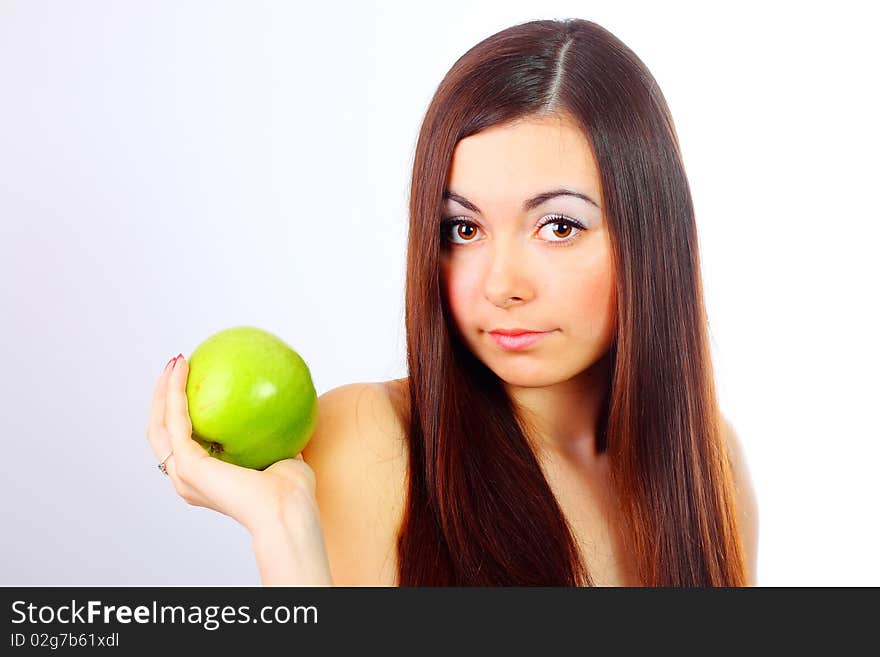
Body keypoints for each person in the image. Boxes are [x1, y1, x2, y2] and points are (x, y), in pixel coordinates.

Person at [146, 18, 759, 587]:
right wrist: (283, 529)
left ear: (650, 235)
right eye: (463, 229)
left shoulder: (712, 468)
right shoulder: (371, 439)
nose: (502, 285)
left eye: (560, 227)